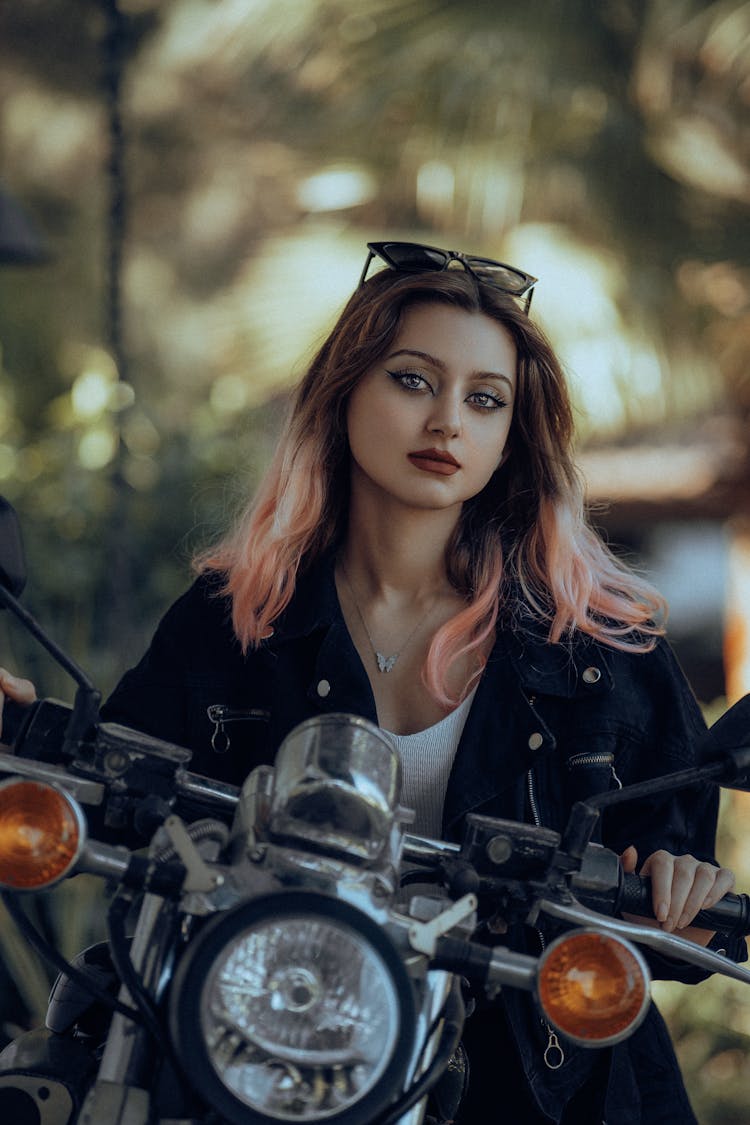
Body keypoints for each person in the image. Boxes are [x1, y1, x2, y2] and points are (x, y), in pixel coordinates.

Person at [0, 240, 743, 1123]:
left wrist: (681, 887)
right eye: (412, 380)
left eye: (484, 399)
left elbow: (678, 924)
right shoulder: (236, 620)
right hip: (266, 1043)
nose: (448, 423)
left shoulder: (601, 647)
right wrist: (24, 733)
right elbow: (115, 789)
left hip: (531, 1078)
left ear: (512, 436)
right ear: (345, 391)